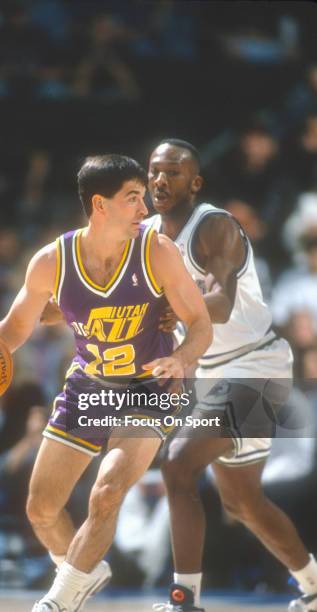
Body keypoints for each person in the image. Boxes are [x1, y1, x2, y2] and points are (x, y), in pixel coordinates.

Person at [0, 155, 212, 611]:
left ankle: (58, 601)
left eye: (144, 198)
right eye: (133, 199)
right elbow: (10, 331)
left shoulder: (156, 251)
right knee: (41, 510)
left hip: (150, 384)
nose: (145, 209)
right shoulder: (51, 261)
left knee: (106, 490)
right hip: (90, 385)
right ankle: (84, 570)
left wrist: (182, 358)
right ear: (99, 205)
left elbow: (200, 323)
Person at [145, 139, 317, 612]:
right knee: (242, 503)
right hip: (215, 371)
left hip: (256, 363)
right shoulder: (145, 237)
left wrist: (177, 305)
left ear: (194, 183)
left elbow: (218, 303)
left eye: (173, 172)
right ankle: (314, 584)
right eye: (154, 171)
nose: (161, 180)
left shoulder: (214, 225)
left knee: (178, 465)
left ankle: (184, 601)